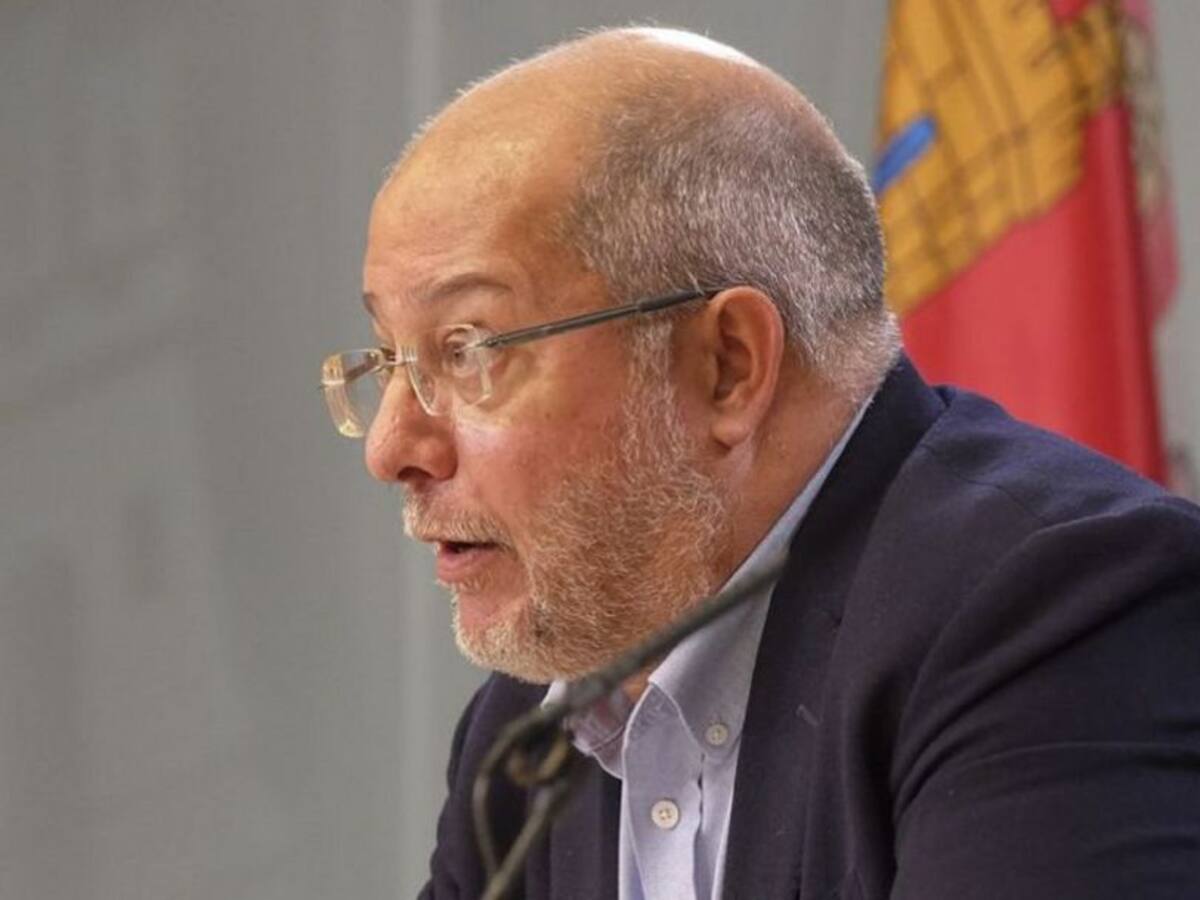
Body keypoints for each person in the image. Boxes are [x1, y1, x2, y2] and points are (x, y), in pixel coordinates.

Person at [319, 26, 1200, 899]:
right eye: (388, 358)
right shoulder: (530, 732)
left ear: (727, 366)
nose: (392, 447)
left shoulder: (1056, 613)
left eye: (468, 350)